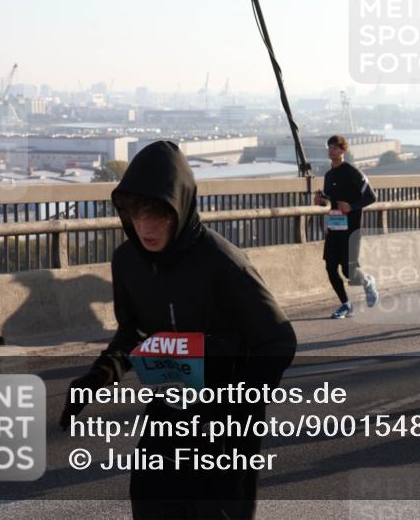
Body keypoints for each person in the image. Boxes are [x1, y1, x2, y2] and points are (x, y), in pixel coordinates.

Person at [59, 140, 298, 518]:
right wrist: (97, 377)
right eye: (136, 214)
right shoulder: (127, 261)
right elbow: (132, 334)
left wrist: (233, 404)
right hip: (169, 411)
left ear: (180, 207)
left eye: (158, 214)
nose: (145, 227)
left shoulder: (224, 263)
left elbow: (279, 341)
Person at [313, 135, 379, 318]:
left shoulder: (352, 172)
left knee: (348, 270)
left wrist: (351, 206)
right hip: (334, 228)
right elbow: (330, 200)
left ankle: (367, 281)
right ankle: (346, 305)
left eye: (335, 147)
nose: (331, 150)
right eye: (329, 147)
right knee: (330, 267)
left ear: (343, 151)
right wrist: (321, 200)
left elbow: (371, 197)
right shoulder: (328, 175)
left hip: (351, 229)